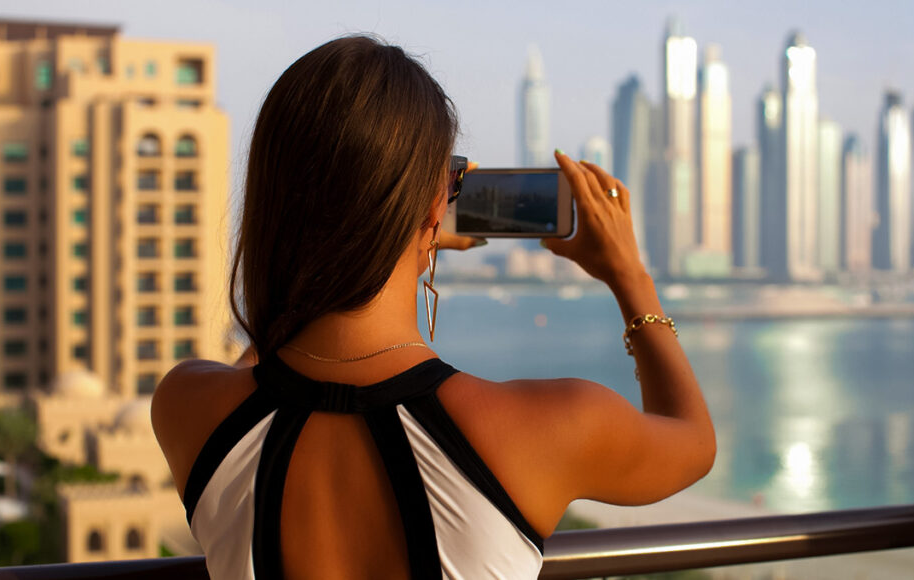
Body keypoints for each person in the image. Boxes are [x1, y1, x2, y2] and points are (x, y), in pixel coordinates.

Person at [152, 35, 715, 580]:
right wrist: (630, 276)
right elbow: (692, 440)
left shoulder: (187, 407)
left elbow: (269, 355)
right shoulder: (549, 428)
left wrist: (397, 235)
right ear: (432, 208)